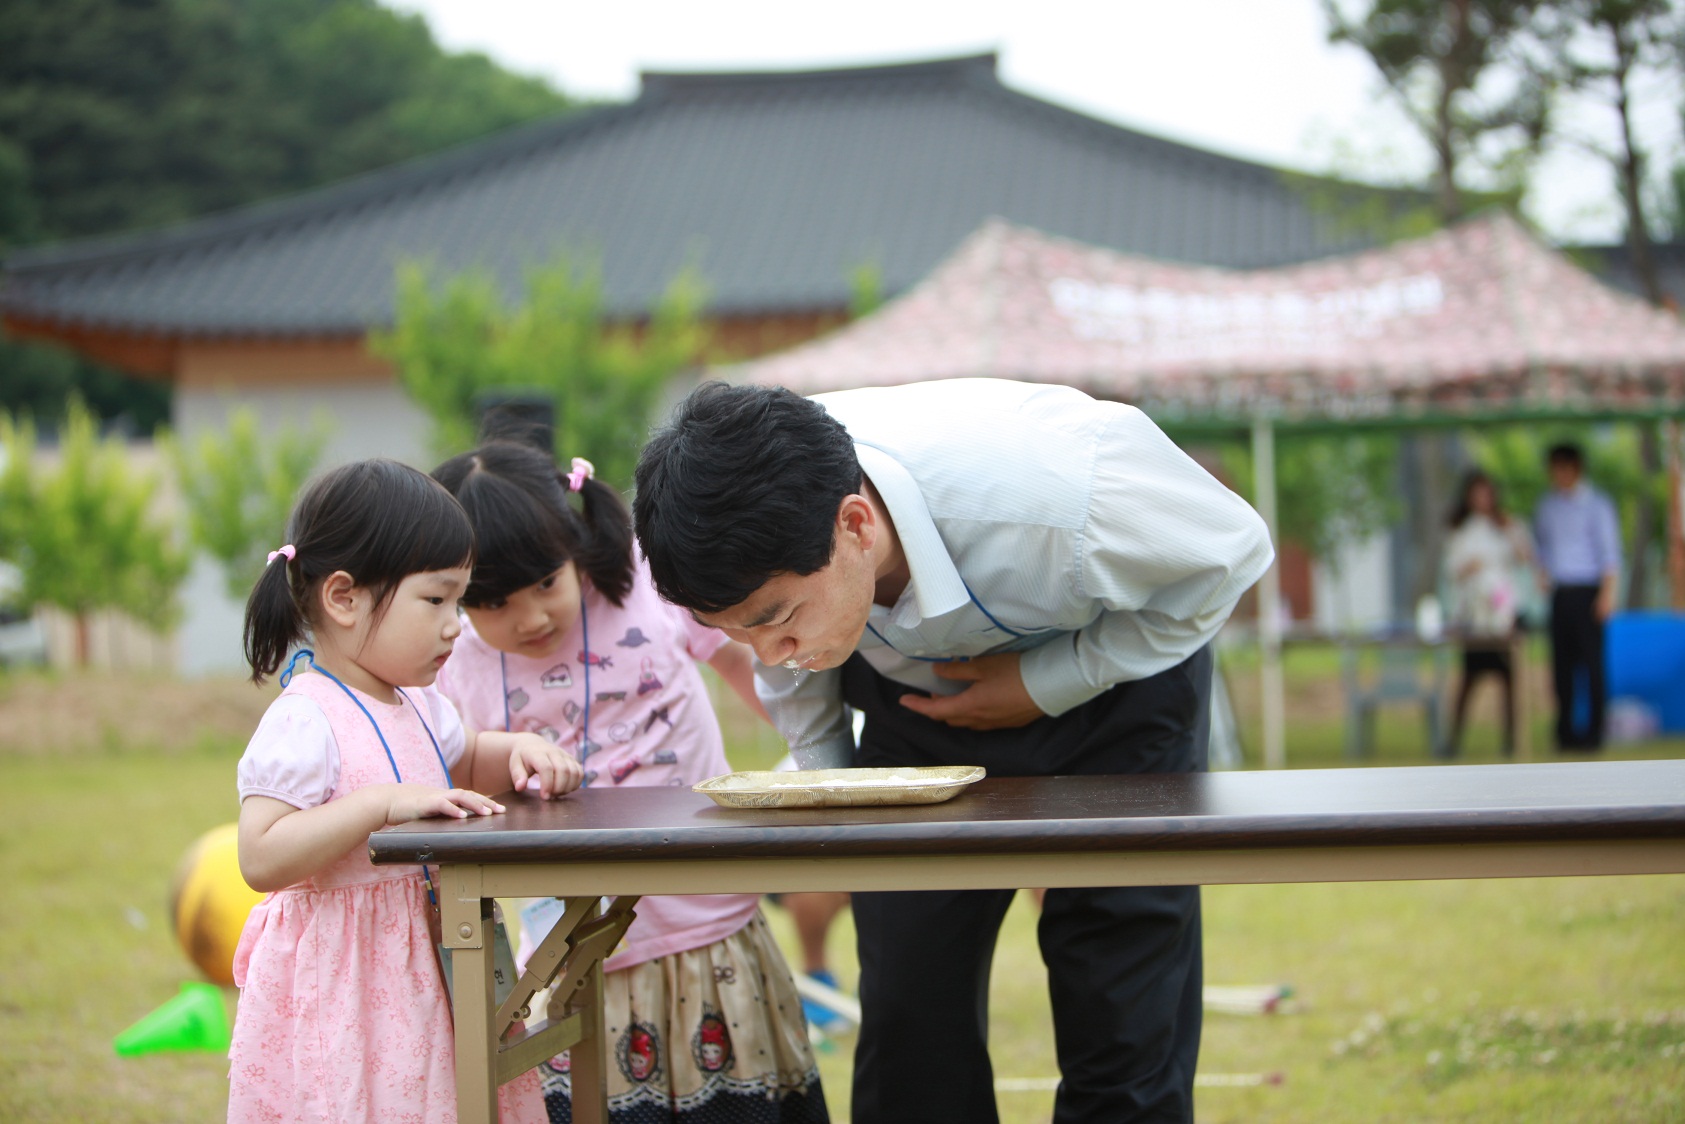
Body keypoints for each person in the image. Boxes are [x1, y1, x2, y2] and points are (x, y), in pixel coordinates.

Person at [634, 378, 1274, 1124]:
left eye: (778, 620)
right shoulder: (766, 511)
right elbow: (787, 660)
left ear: (855, 523)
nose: (767, 655)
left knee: (1122, 1001)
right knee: (909, 1007)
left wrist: (1048, 681)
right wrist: (829, 782)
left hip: (1115, 699)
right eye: (738, 633)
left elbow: (1231, 553)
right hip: (915, 710)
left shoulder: (1070, 489)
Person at [430, 440, 829, 1124]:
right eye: (492, 602)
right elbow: (453, 772)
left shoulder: (644, 581)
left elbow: (751, 668)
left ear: (574, 542)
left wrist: (826, 761)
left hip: (708, 918)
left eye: (546, 583)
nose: (530, 618)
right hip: (570, 947)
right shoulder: (453, 662)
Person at [230, 459, 580, 1124]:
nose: (456, 625)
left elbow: (463, 759)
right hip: (353, 986)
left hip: (436, 961)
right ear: (344, 597)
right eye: (436, 600)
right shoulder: (306, 717)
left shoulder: (419, 702)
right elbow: (261, 855)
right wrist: (377, 805)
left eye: (459, 601)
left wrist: (517, 749)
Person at [1533, 442, 1622, 751]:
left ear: (1576, 468)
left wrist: (1607, 594)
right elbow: (1542, 546)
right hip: (1561, 592)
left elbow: (1610, 554)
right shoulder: (1547, 506)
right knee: (1562, 667)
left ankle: (1595, 733)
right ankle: (1566, 732)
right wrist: (1541, 572)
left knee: (1593, 667)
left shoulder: (1597, 505)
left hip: (1588, 592)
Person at [1442, 469, 1534, 756]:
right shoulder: (1462, 530)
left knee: (1508, 679)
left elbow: (1525, 557)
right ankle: (1453, 740)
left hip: (1503, 613)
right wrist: (1473, 566)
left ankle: (1511, 741)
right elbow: (1453, 570)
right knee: (1469, 678)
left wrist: (1510, 531)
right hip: (1475, 614)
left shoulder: (1506, 525)